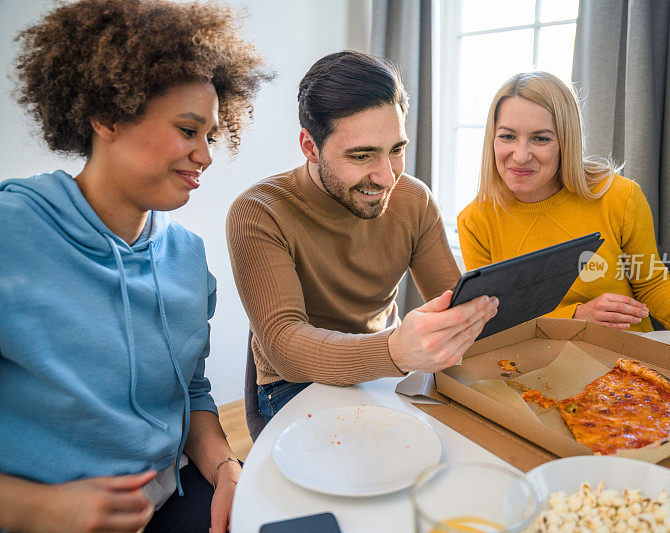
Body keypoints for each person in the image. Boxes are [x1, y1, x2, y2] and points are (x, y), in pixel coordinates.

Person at [0, 1, 269, 531]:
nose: (206, 156)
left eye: (210, 136)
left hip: (170, 499)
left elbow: (190, 394)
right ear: (107, 116)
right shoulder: (12, 234)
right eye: (188, 130)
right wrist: (43, 509)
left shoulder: (188, 258)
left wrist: (225, 467)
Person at [227, 51, 498, 425]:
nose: (387, 177)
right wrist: (396, 350)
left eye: (396, 150)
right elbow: (285, 346)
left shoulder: (414, 200)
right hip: (295, 382)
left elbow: (455, 302)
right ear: (309, 147)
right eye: (362, 156)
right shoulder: (260, 211)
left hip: (388, 367)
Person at [457, 72, 670, 342]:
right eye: (507, 136)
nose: (520, 156)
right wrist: (578, 316)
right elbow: (496, 317)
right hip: (534, 366)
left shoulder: (619, 197)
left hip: (628, 360)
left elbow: (651, 282)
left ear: (566, 142)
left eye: (541, 138)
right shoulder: (475, 221)